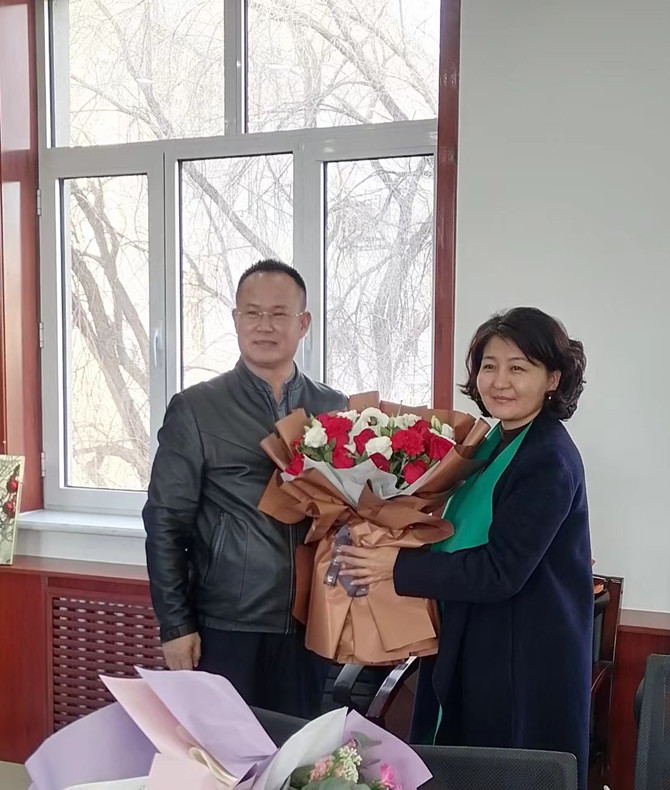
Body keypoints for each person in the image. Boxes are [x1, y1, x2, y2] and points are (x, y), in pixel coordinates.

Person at [339, 307, 592, 789]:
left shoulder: (547, 458)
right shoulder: (497, 441)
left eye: (518, 367)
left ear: (553, 379)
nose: (500, 381)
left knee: (502, 774)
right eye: (488, 366)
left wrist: (395, 565)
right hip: (478, 637)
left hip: (521, 656)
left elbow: (501, 570)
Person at [143, 259, 347, 718]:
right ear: (236, 320)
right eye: (252, 313)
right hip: (225, 625)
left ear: (303, 323)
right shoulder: (197, 408)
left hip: (311, 625)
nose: (264, 326)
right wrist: (175, 626)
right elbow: (165, 524)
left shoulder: (334, 408)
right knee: (223, 754)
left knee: (301, 753)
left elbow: (349, 515)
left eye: (278, 314)